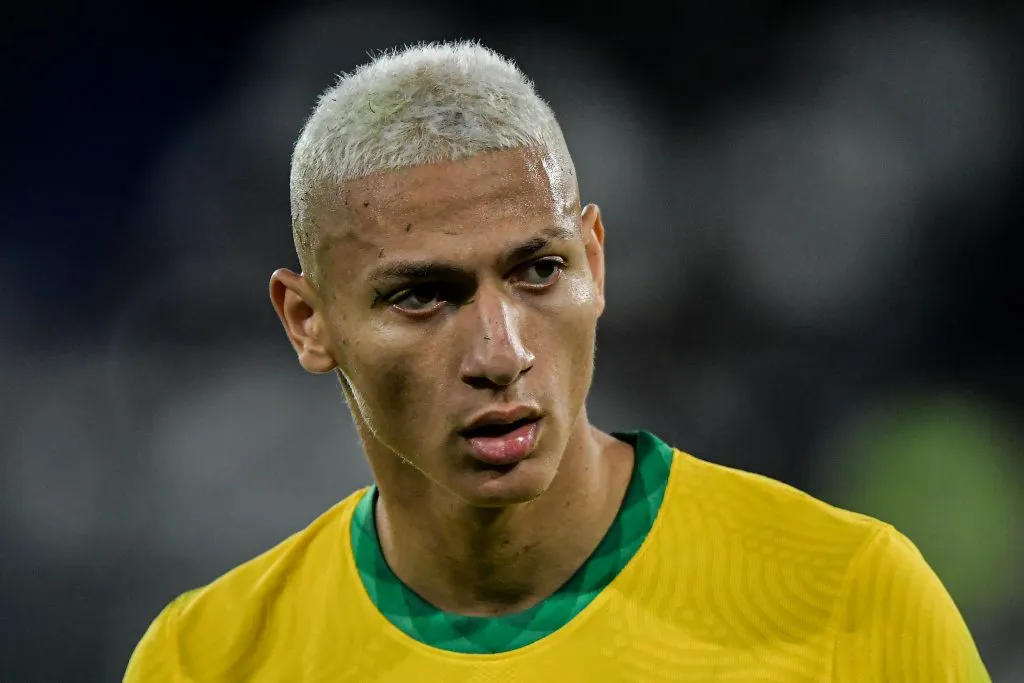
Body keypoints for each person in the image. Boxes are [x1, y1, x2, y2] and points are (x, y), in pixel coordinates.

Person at [124, 40, 991, 682]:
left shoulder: (852, 601)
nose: (501, 353)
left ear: (596, 262)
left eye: (539, 271)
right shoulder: (206, 658)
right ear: (308, 321)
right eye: (422, 295)